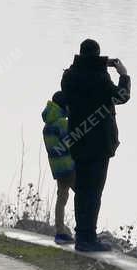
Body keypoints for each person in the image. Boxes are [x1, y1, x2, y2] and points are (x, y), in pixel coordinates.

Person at [60, 37, 131, 253]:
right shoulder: (101, 77)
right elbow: (122, 97)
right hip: (99, 145)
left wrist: (95, 64)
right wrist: (124, 75)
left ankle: (82, 236)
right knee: (94, 192)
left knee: (81, 191)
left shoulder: (69, 77)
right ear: (97, 56)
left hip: (78, 141)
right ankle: (89, 238)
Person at [42, 90, 75, 244]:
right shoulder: (63, 123)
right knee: (83, 195)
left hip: (57, 168)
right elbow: (73, 142)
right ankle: (83, 231)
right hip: (69, 166)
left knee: (61, 197)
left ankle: (60, 232)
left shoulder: (47, 126)